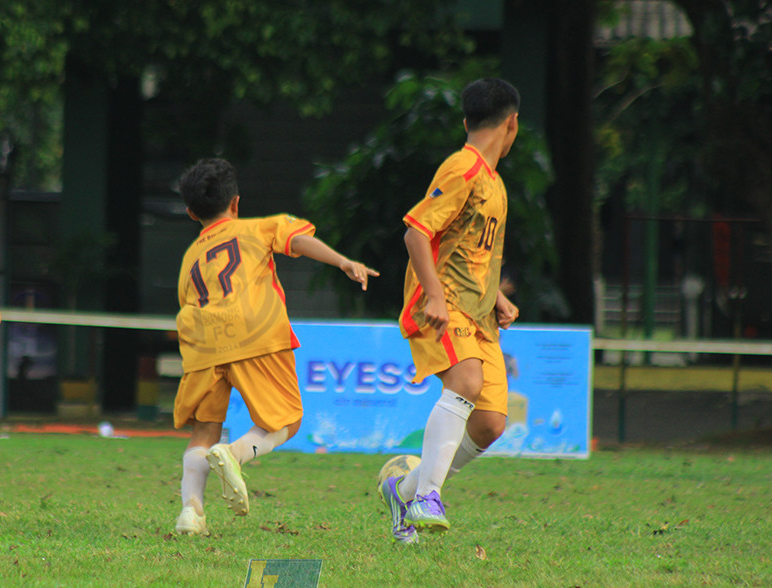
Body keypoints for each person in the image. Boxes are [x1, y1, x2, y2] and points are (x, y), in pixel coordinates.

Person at [172, 158, 378, 536]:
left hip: (203, 343)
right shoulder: (259, 227)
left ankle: (191, 512)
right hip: (255, 333)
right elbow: (297, 240)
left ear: (190, 213)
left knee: (204, 429)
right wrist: (343, 261)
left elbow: (186, 303)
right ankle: (233, 455)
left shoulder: (189, 257)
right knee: (286, 420)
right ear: (236, 203)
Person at [381, 78, 521, 544]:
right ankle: (427, 497)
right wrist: (436, 296)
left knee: (490, 424)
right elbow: (416, 233)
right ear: (512, 124)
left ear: (467, 121)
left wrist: (496, 297)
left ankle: (404, 490)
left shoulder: (494, 183)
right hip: (444, 307)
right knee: (465, 381)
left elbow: (470, 250)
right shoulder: (462, 168)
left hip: (479, 315)